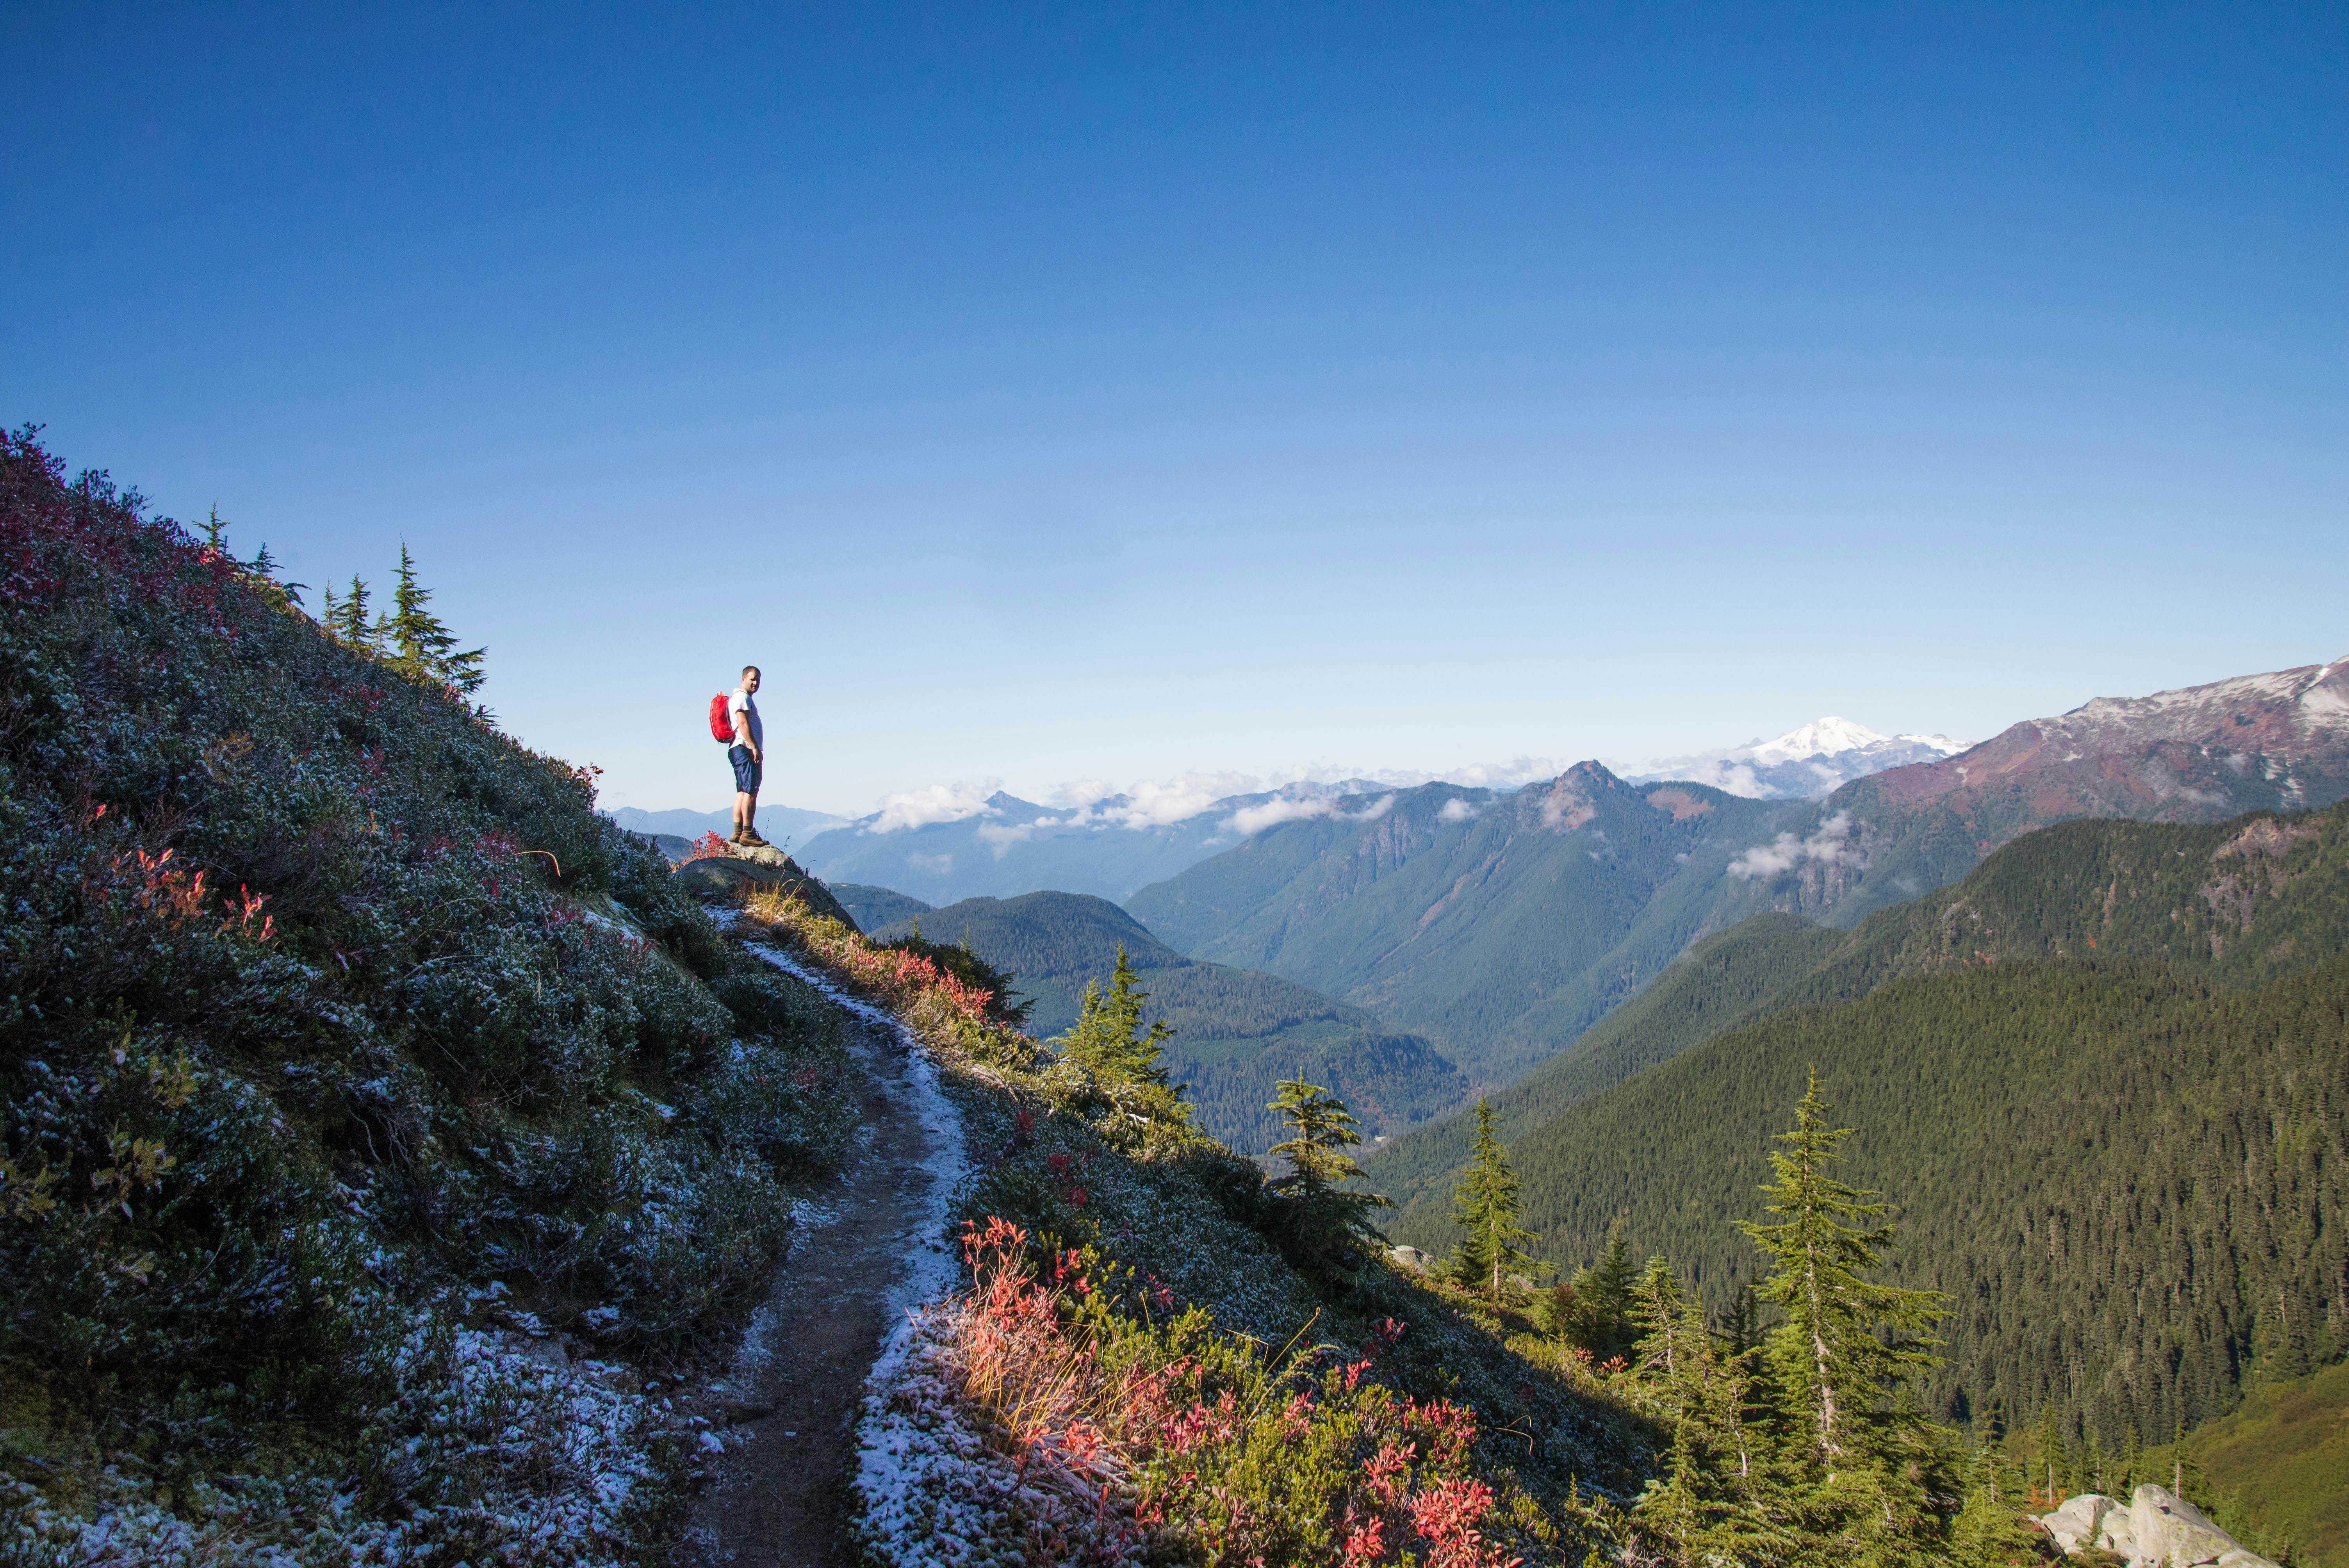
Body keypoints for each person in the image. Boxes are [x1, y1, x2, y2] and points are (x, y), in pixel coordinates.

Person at [727, 666, 768, 846]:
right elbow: (742, 723)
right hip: (745, 748)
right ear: (743, 679)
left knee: (743, 790)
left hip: (739, 749)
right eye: (752, 679)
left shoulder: (739, 697)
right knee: (751, 791)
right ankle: (748, 833)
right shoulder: (742, 698)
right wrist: (755, 747)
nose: (756, 683)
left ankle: (738, 832)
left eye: (758, 680)